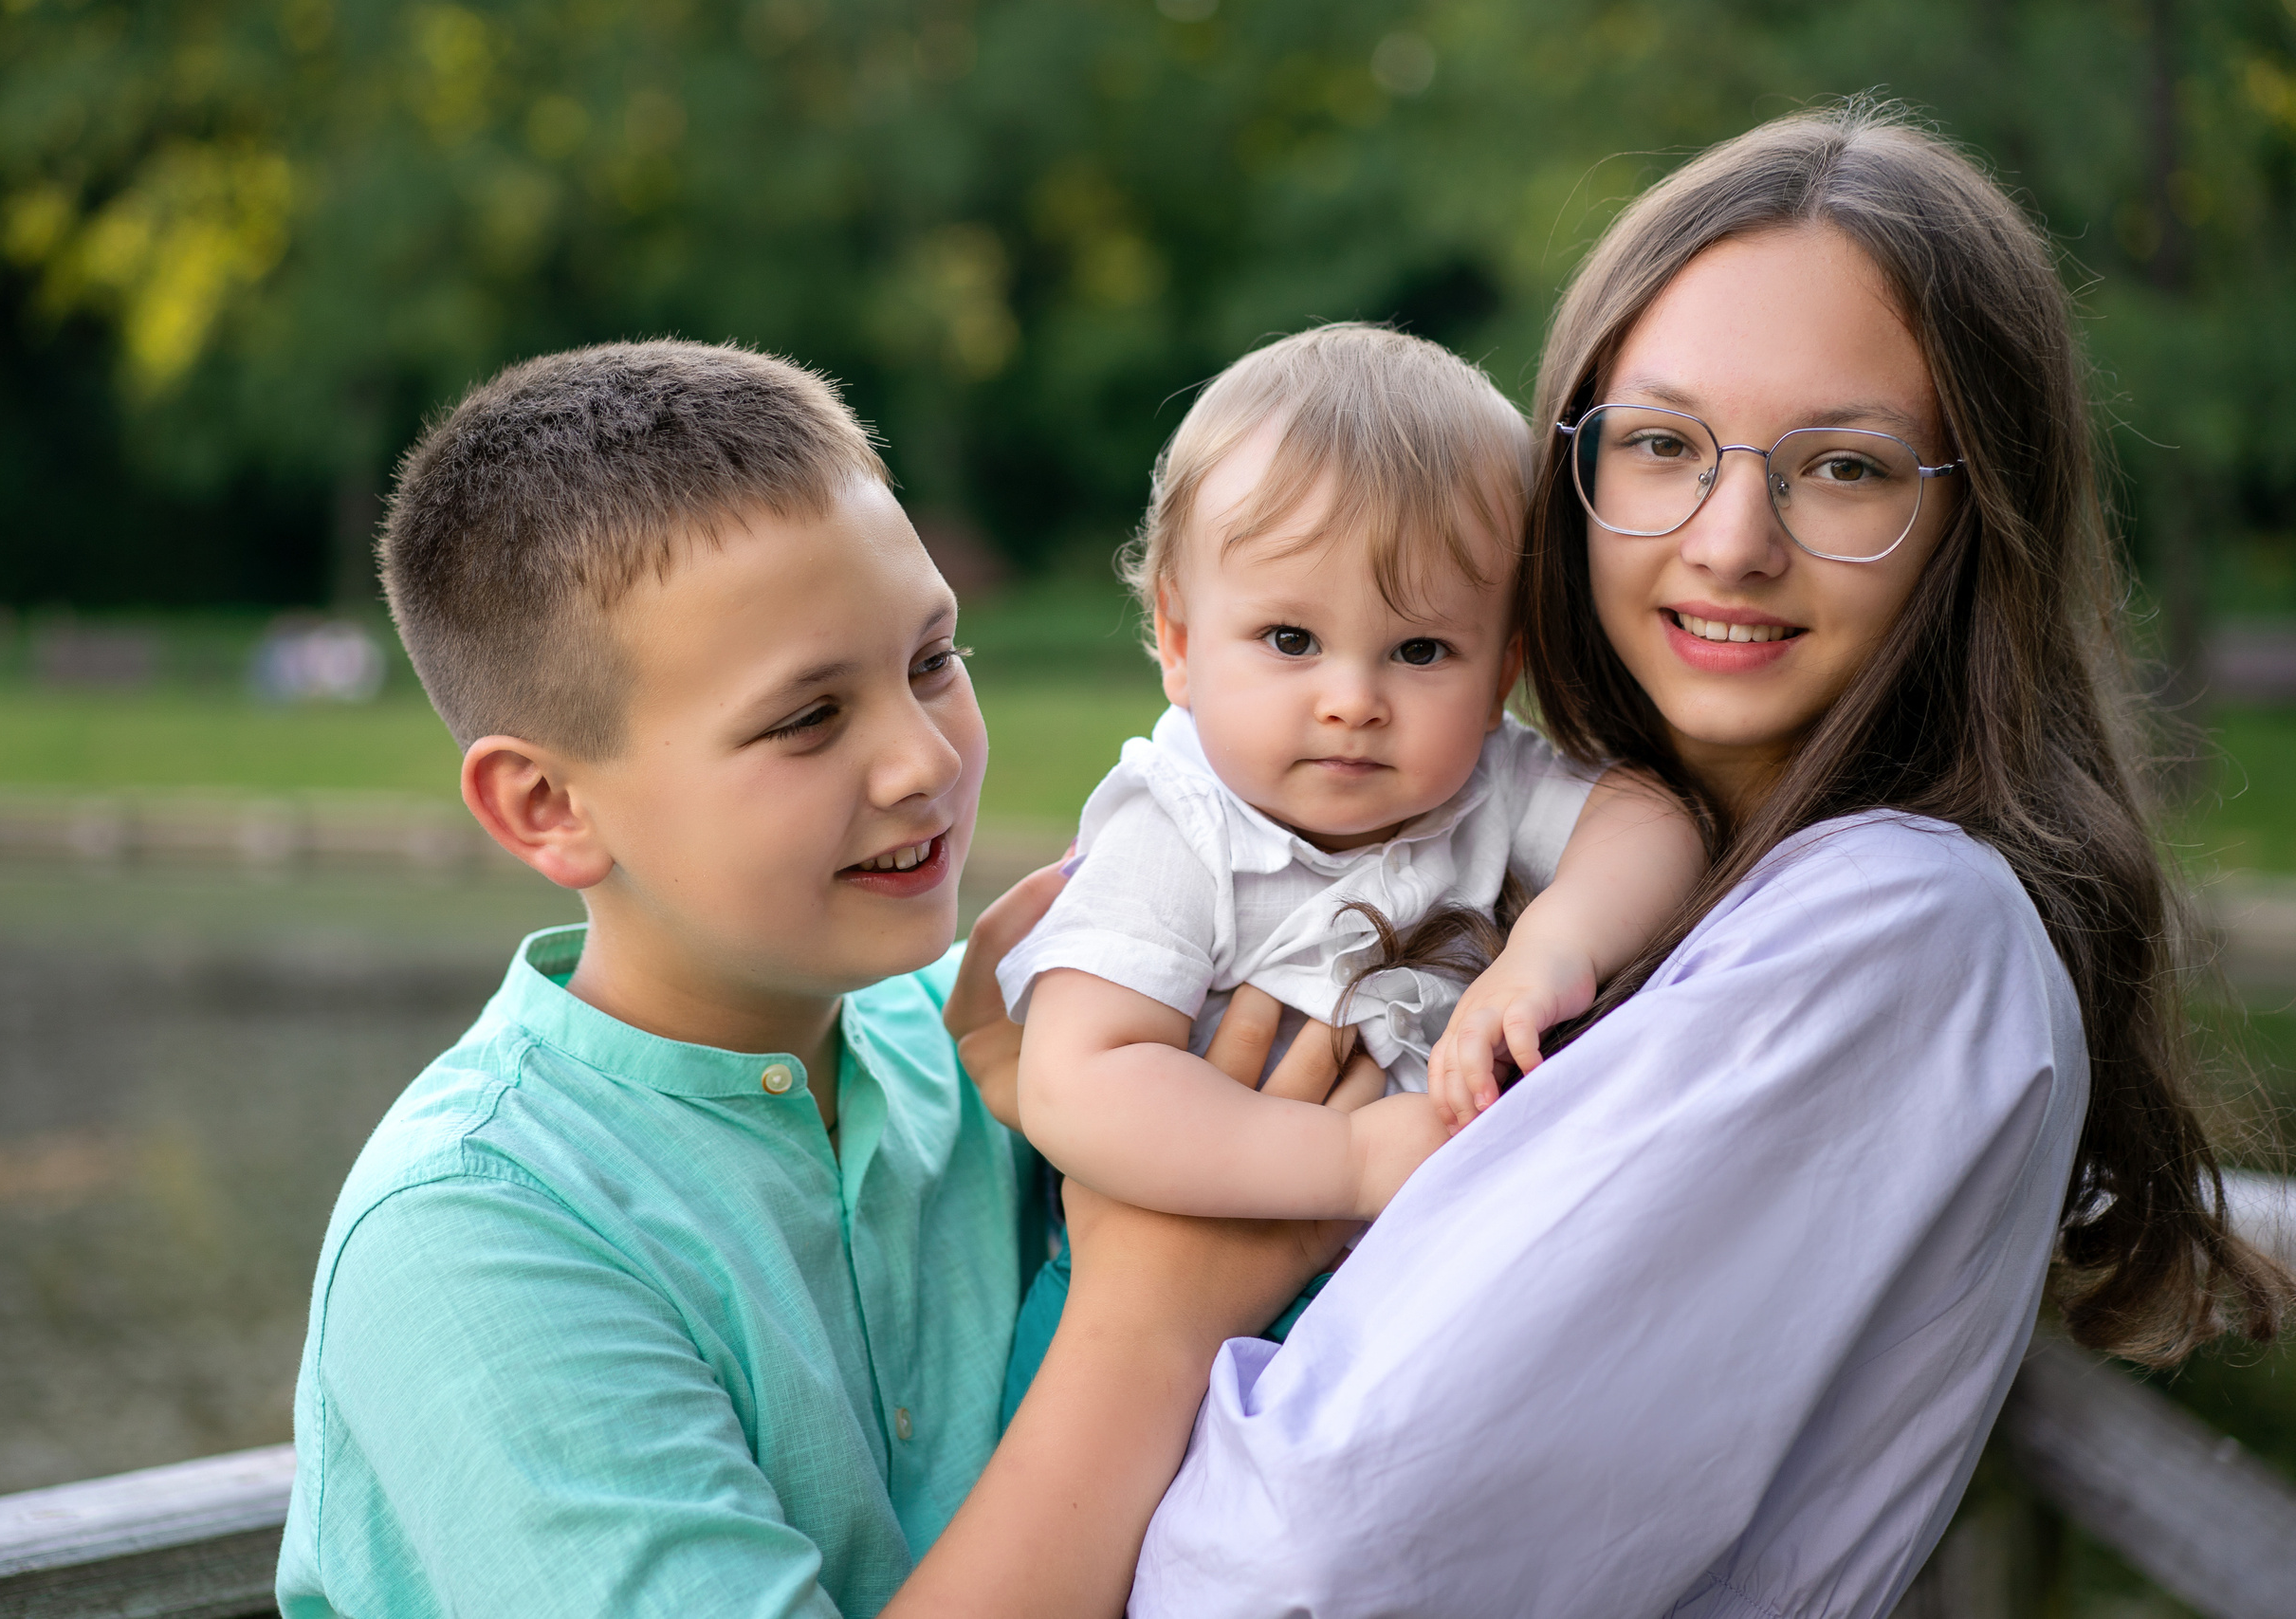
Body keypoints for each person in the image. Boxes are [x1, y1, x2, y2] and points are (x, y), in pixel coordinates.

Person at [1118, 102, 2294, 1616]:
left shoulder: (1903, 933)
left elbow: (1303, 1565)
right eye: (1664, 444)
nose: (1732, 538)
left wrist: (1148, 1310)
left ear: (1973, 519)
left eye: (1846, 468)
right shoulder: (1548, 861)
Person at [271, 340, 1361, 1619]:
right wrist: (1154, 1314)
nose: (921, 758)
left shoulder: (1022, 1041)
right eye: (806, 717)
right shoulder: (475, 1236)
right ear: (549, 802)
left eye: (933, 659)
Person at [987, 325, 1703, 1414]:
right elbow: (1077, 1082)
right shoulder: (1180, 827)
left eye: (1420, 652)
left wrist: (1556, 944)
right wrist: (1346, 1163)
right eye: (1288, 639)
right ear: (1177, 642)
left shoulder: (1486, 784)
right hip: (1158, 1299)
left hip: (1404, 1301)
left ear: (1502, 665)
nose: (1352, 699)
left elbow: (1655, 824)